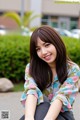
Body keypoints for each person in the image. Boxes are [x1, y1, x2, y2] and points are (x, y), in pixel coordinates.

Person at [20, 25, 80, 120]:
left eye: (47, 45)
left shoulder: (73, 69)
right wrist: (29, 118)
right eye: (38, 49)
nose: (43, 52)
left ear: (56, 43)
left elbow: (60, 98)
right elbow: (31, 91)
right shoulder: (32, 68)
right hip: (39, 113)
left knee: (44, 107)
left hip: (62, 116)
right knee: (41, 107)